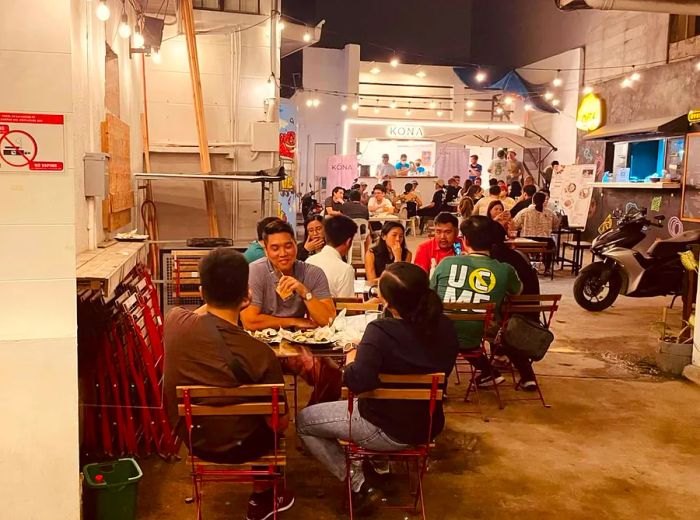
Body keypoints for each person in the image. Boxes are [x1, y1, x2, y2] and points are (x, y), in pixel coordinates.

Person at [297, 262, 459, 514]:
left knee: (304, 421)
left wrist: (352, 354)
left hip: (384, 428)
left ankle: (358, 484)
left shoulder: (380, 331)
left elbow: (358, 382)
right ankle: (376, 462)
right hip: (427, 425)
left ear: (388, 301)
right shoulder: (446, 326)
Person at [164, 248, 295, 519]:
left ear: (202, 292)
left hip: (194, 439)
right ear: (247, 295)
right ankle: (263, 496)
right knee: (271, 421)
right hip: (244, 446)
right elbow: (279, 424)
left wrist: (212, 300)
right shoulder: (260, 354)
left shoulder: (174, 322)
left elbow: (202, 314)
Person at [242, 220, 340, 405]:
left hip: (296, 344)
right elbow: (250, 321)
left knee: (331, 374)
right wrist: (295, 321)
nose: (283, 253)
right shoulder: (255, 272)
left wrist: (305, 292)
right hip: (261, 345)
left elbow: (327, 319)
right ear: (266, 250)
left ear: (296, 245)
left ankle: (311, 423)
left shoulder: (313, 273)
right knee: (258, 381)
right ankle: (272, 428)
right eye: (275, 248)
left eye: (288, 246)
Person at [430, 216, 523, 387]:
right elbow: (517, 291)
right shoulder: (505, 270)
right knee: (466, 334)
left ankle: (439, 386)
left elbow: (430, 293)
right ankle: (489, 372)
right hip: (477, 333)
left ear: (464, 240)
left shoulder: (446, 262)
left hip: (440, 333)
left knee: (449, 334)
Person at [485, 221, 541, 390]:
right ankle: (501, 355)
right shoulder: (518, 255)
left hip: (513, 320)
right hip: (531, 315)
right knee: (502, 317)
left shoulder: (493, 261)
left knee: (490, 320)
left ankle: (491, 369)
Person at [306, 216, 357, 298]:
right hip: (332, 310)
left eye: (318, 228)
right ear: (348, 241)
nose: (315, 233)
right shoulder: (345, 269)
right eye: (311, 230)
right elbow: (346, 307)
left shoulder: (308, 261)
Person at [512, 192, 560, 273]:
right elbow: (555, 226)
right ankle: (547, 268)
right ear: (544, 201)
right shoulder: (550, 213)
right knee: (551, 243)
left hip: (527, 240)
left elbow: (514, 225)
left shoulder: (524, 212)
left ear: (532, 200)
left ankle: (525, 265)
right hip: (546, 241)